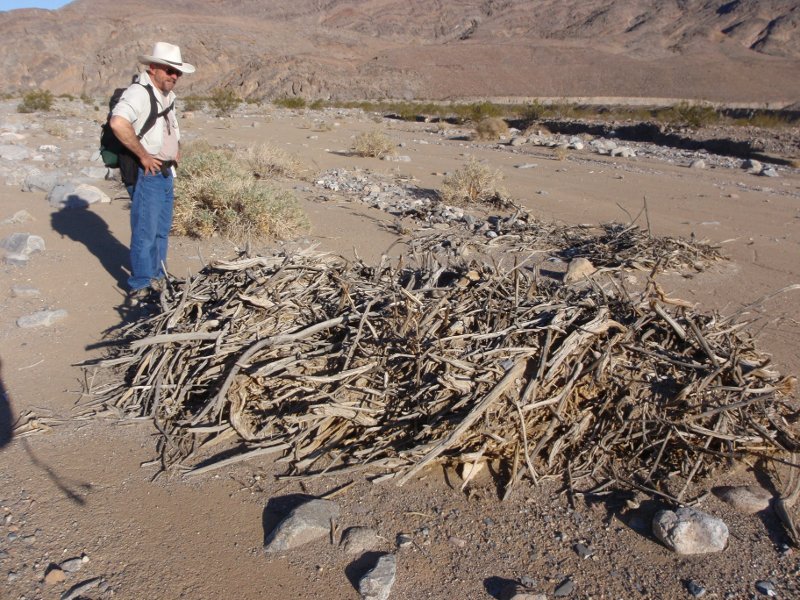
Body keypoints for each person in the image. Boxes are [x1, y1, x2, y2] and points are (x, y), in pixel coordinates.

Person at [109, 42, 195, 305]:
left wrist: (176, 148)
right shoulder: (139, 93)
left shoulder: (166, 95)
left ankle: (159, 277)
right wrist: (144, 155)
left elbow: (168, 126)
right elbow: (118, 122)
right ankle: (141, 285)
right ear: (153, 67)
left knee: (160, 230)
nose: (174, 76)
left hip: (166, 173)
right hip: (148, 173)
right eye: (170, 70)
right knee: (146, 231)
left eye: (177, 73)